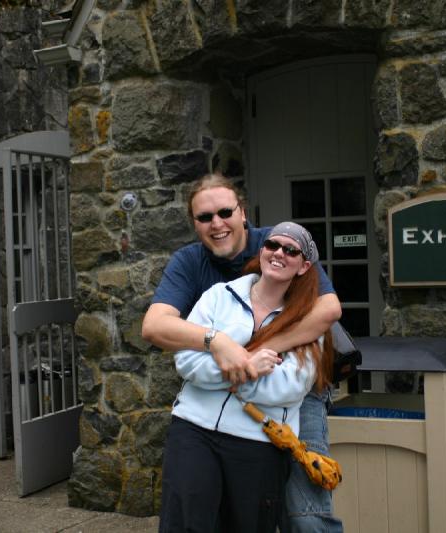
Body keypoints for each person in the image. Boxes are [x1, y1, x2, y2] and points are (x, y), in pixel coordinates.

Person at [142, 173, 344, 532]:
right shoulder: (198, 271)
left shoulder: (279, 242)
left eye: (224, 212)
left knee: (307, 517)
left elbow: (328, 312)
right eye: (205, 218)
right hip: (209, 409)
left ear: (243, 213)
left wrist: (249, 355)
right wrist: (218, 343)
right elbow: (156, 327)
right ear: (194, 223)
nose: (217, 224)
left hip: (288, 405)